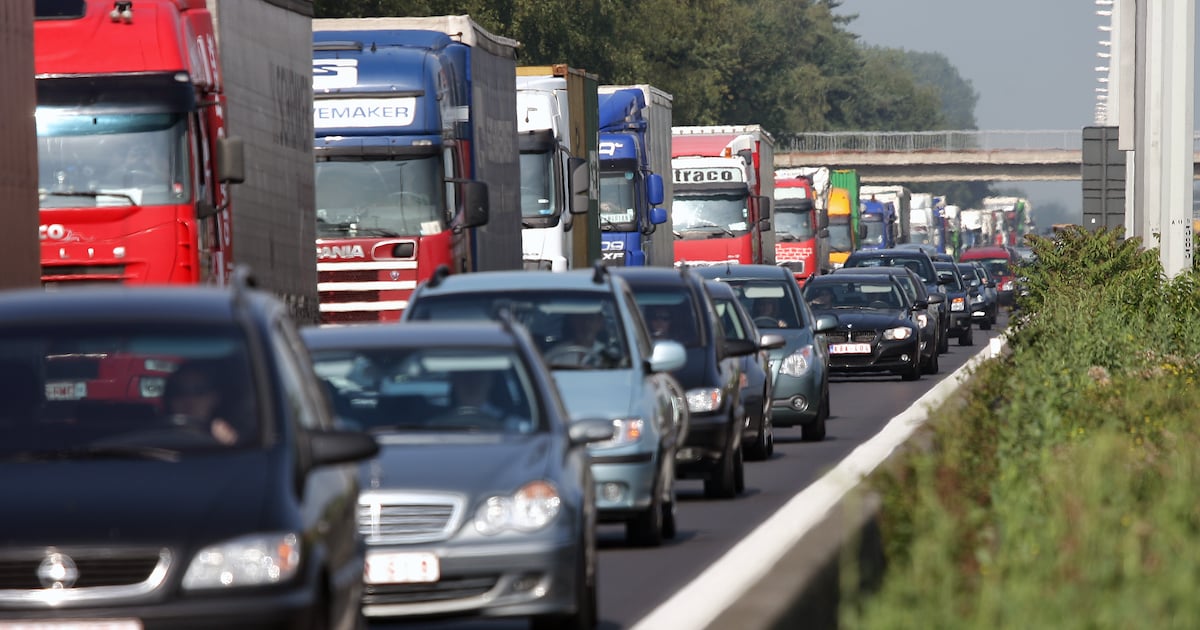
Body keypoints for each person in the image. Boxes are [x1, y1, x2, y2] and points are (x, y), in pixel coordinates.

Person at [162, 362, 242, 446]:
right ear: (170, 399)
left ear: (214, 398)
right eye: (180, 392)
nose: (189, 400)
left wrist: (228, 443)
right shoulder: (153, 439)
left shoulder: (227, 438)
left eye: (199, 391)